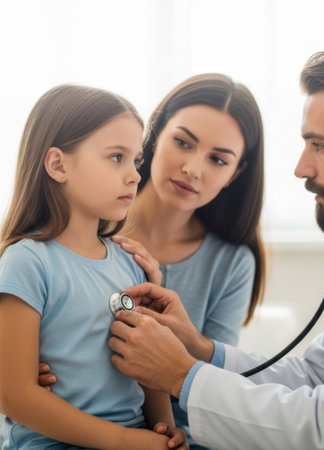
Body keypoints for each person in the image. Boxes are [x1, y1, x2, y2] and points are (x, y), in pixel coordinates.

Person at [108, 38, 324, 449]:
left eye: (319, 145)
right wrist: (198, 348)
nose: (300, 168)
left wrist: (180, 374)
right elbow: (312, 375)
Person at [38, 73, 266, 449]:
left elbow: (211, 389)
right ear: (155, 136)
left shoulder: (232, 262)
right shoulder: (76, 227)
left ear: (235, 174)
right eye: (182, 142)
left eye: (218, 159)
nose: (194, 168)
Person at [0, 84, 187, 449]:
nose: (134, 175)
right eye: (116, 157)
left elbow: (147, 365)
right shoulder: (27, 262)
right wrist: (124, 441)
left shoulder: (130, 263)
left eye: (136, 160)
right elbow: (15, 395)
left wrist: (165, 430)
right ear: (58, 164)